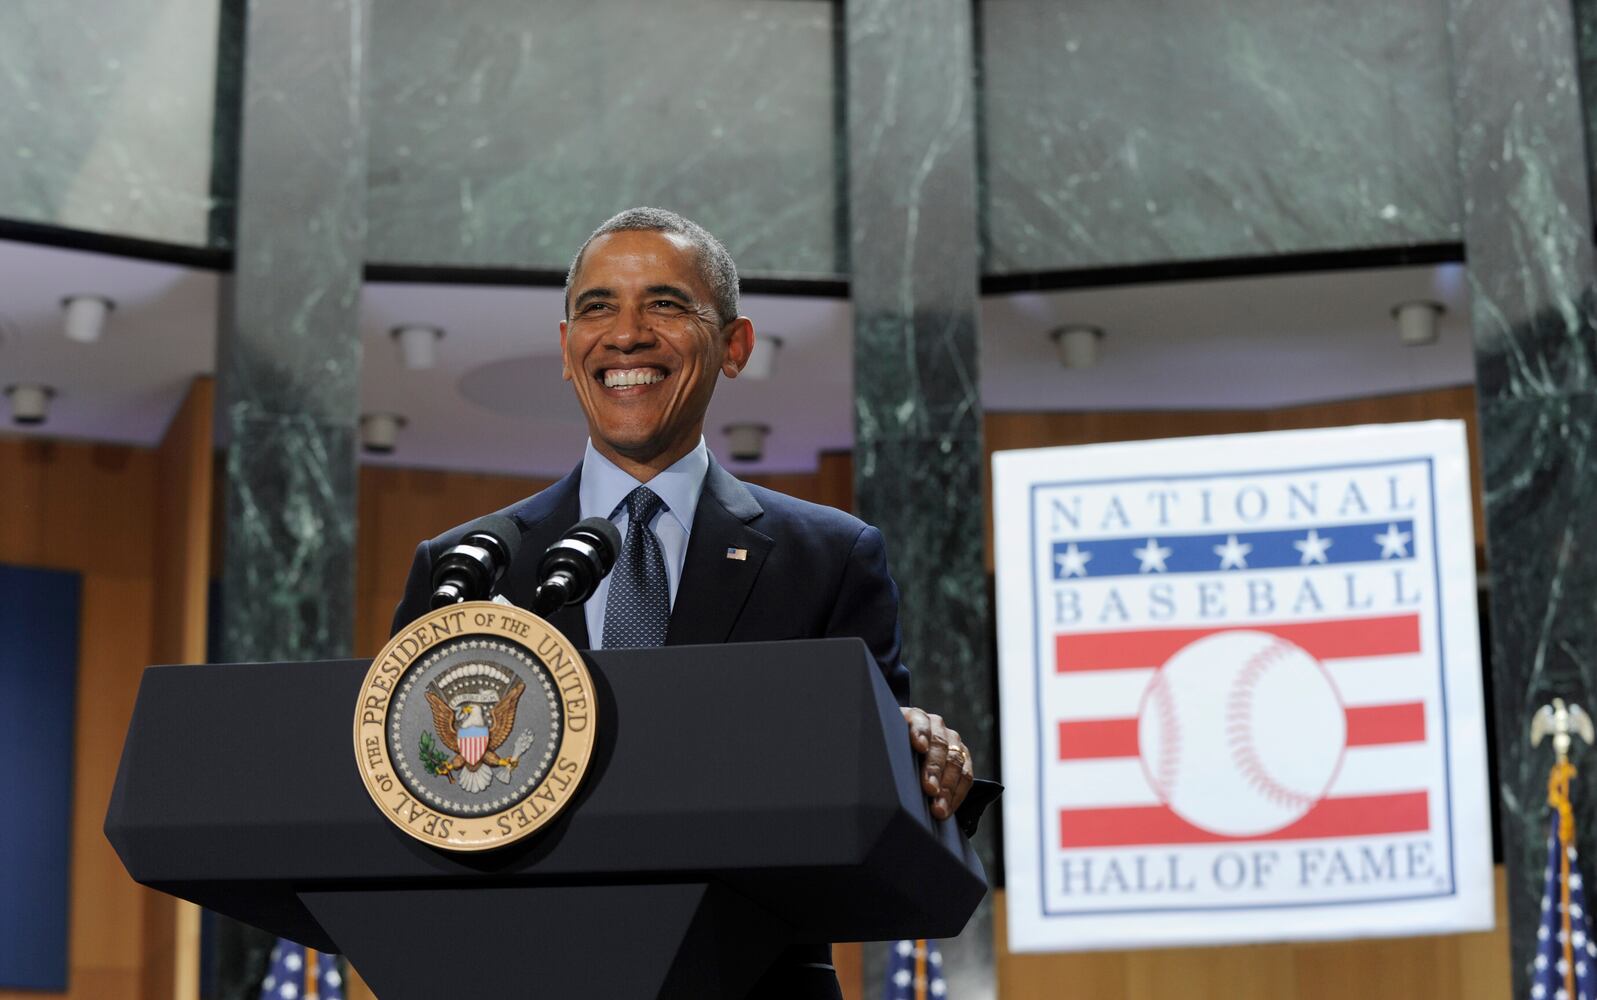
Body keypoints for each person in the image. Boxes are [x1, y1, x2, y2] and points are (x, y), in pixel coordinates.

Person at [391, 207, 975, 999]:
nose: (626, 335)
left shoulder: (829, 557)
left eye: (665, 304)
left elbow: (878, 793)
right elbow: (409, 793)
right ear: (566, 348)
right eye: (597, 308)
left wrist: (921, 754)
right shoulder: (468, 566)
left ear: (734, 345)